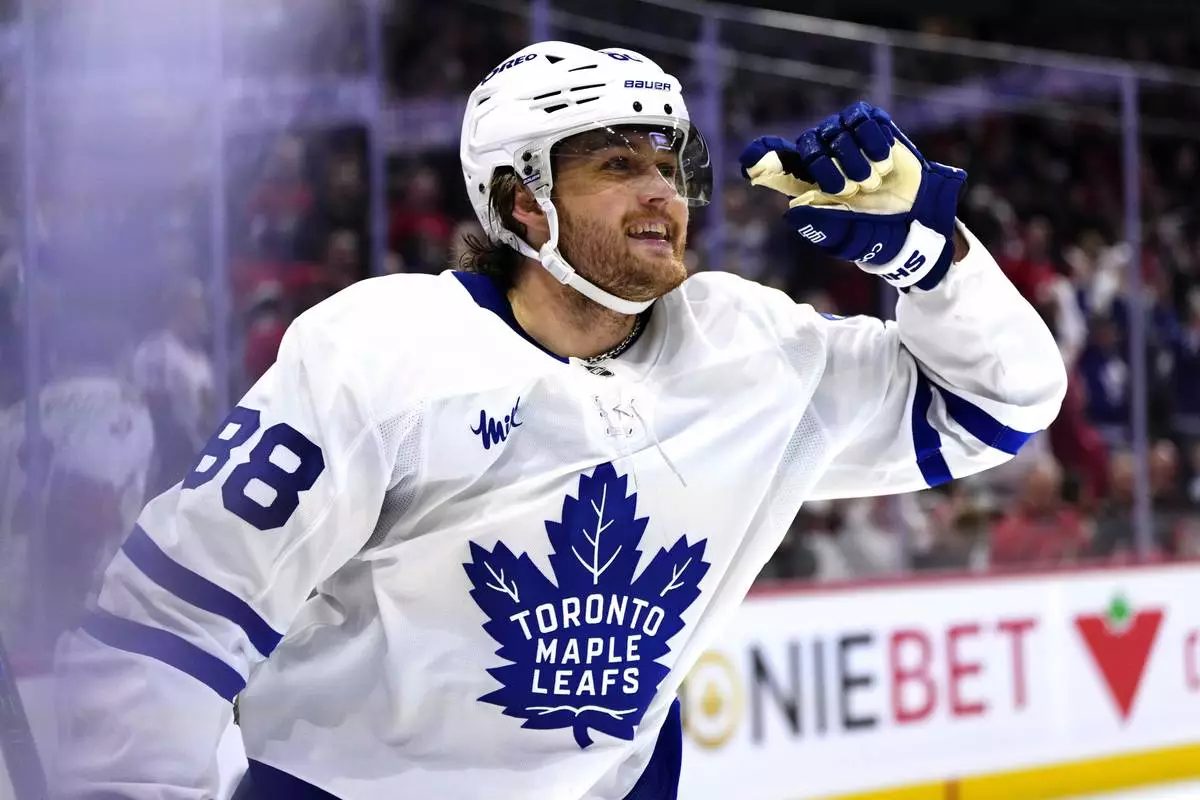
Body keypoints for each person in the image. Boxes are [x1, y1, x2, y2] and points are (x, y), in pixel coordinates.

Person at [53, 42, 1066, 800]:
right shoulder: (381, 350)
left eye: (666, 164)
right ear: (523, 204)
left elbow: (999, 405)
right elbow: (176, 614)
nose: (662, 192)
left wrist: (931, 261)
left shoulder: (750, 350)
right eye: (616, 165)